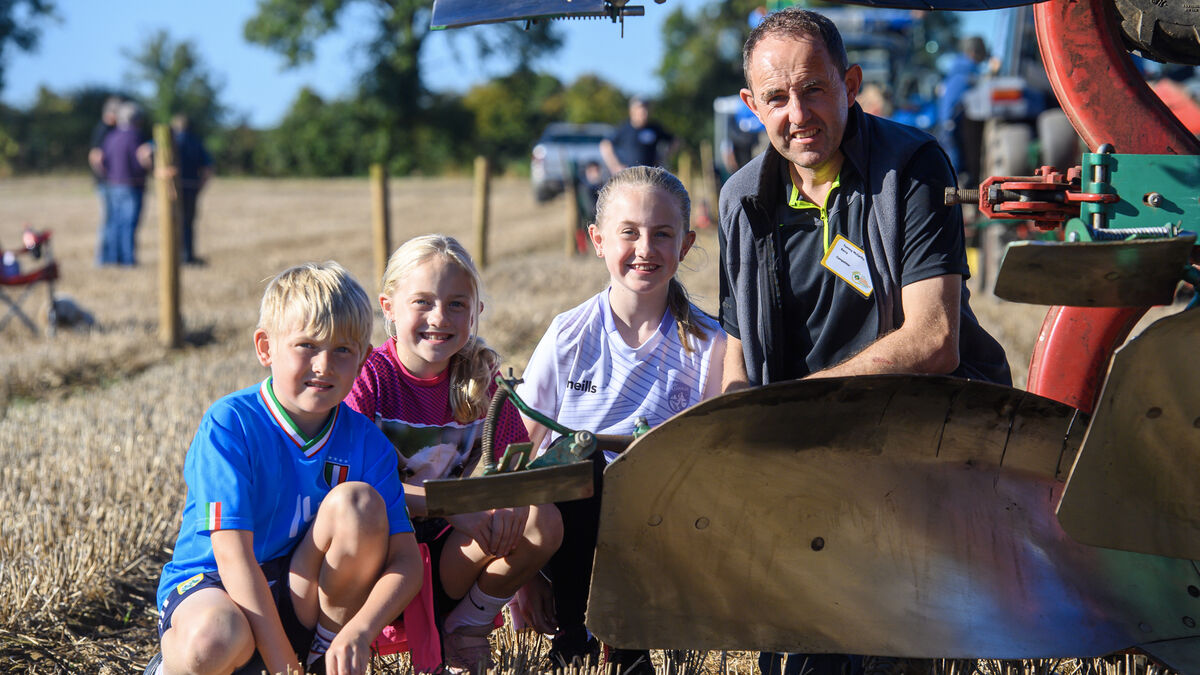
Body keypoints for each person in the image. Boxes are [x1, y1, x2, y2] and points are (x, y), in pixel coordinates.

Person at [719, 8, 1011, 674]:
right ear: (750, 105)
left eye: (814, 88)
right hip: (803, 458)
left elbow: (934, 338)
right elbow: (737, 357)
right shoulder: (742, 200)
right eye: (776, 98)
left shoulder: (912, 167)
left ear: (849, 82)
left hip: (910, 441)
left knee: (893, 650)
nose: (798, 113)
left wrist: (800, 403)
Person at [151, 261, 423, 675]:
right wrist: (281, 664)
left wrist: (360, 632)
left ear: (364, 359)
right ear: (265, 348)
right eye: (307, 346)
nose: (324, 365)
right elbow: (232, 554)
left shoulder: (369, 442)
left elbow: (406, 562)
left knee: (359, 504)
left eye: (342, 350)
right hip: (217, 585)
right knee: (213, 641)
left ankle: (321, 655)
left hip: (301, 593)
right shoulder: (232, 422)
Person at [515, 166, 726, 673]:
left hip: (656, 533)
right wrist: (523, 576)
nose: (645, 248)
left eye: (662, 233)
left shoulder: (710, 344)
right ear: (597, 240)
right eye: (628, 232)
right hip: (565, 533)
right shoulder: (568, 334)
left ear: (686, 243)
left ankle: (621, 636)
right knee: (581, 459)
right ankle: (578, 632)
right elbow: (518, 452)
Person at [346, 234, 563, 673]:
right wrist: (454, 508)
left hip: (449, 552)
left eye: (457, 304)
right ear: (387, 307)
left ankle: (466, 625)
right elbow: (352, 486)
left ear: (476, 311)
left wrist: (510, 505)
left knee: (543, 518)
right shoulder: (369, 379)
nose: (439, 318)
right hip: (378, 551)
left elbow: (516, 464)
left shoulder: (479, 377)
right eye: (422, 302)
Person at [100, 101, 153, 266]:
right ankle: (128, 261)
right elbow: (142, 158)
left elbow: (101, 159)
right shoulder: (137, 137)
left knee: (115, 223)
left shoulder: (111, 136)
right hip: (132, 185)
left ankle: (112, 259)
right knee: (129, 225)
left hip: (113, 185)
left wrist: (107, 175)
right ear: (136, 119)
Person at [936, 36, 989, 185]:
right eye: (981, 54)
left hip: (948, 121)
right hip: (952, 123)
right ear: (973, 52)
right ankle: (953, 186)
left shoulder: (957, 71)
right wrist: (948, 121)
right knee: (954, 159)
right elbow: (952, 99)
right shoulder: (966, 74)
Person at [171, 114, 214, 265]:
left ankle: (174, 256)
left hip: (172, 189)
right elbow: (208, 169)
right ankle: (187, 255)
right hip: (191, 188)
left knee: (174, 223)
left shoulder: (171, 142)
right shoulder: (197, 143)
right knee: (188, 223)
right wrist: (200, 186)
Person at [600, 97, 678, 174]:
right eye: (640, 109)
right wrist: (615, 166)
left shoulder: (654, 128)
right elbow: (605, 145)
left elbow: (675, 141)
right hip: (629, 175)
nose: (644, 112)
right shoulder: (624, 128)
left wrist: (663, 157)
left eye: (646, 109)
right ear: (632, 110)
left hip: (650, 174)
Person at [88, 96, 120, 265]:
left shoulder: (107, 129)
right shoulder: (103, 129)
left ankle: (110, 257)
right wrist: (106, 175)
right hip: (104, 183)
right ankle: (101, 259)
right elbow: (95, 157)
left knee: (111, 220)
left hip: (107, 182)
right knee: (107, 220)